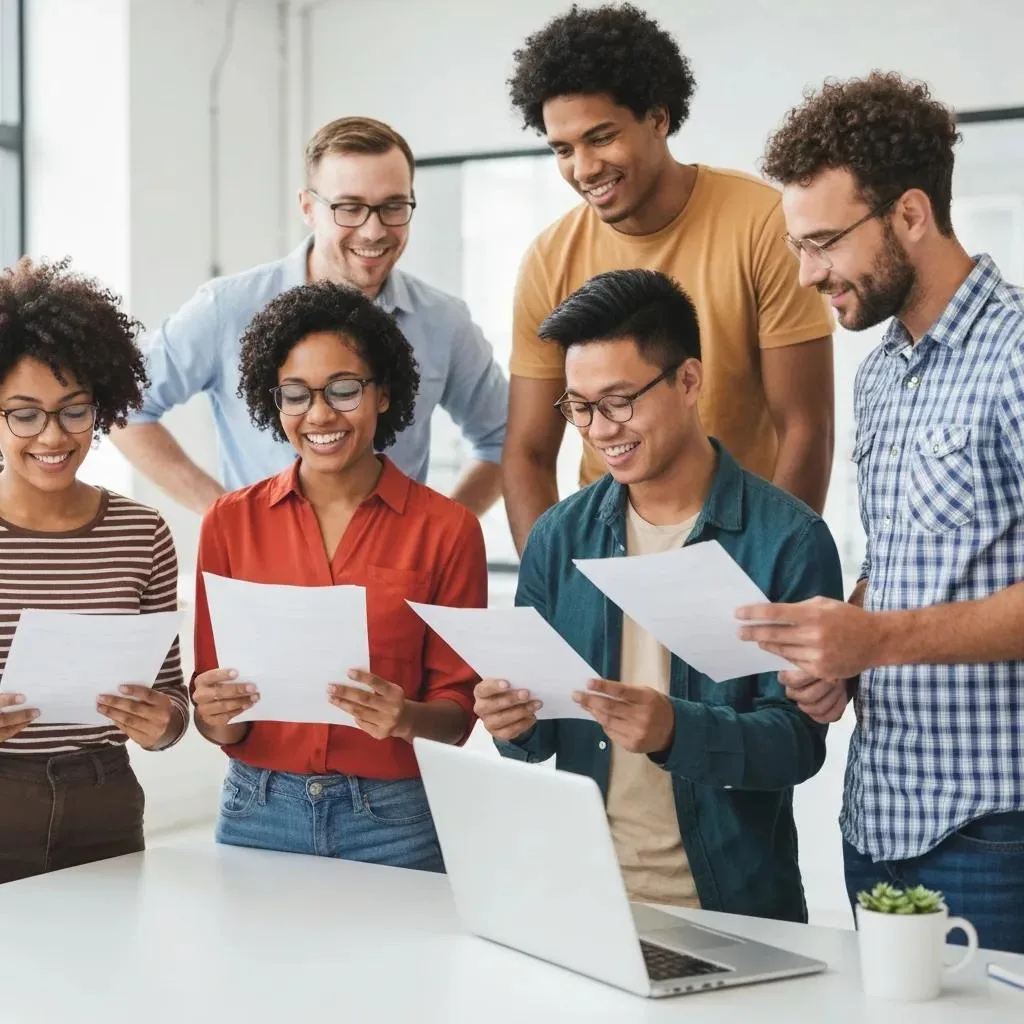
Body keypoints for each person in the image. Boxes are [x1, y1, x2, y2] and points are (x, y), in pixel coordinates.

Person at [738, 71, 1024, 954]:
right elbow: (913, 561)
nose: (807, 273)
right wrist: (844, 649)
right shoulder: (880, 372)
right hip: (876, 819)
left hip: (994, 829)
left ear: (909, 215)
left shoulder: (1015, 358)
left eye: (823, 242)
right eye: (797, 245)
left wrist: (881, 640)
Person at [474, 269, 843, 920]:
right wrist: (513, 722)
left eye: (619, 401)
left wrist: (676, 728)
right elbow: (536, 737)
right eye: (580, 407)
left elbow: (797, 745)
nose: (599, 429)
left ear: (689, 381)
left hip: (735, 908)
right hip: (586, 902)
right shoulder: (561, 537)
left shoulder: (789, 540)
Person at [501, 2, 835, 553]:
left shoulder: (763, 223)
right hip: (606, 548)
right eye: (563, 149)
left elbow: (805, 427)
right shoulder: (549, 257)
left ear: (658, 119)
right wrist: (554, 581)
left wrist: (771, 567)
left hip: (738, 540)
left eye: (601, 137)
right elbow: (529, 452)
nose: (582, 169)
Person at [191, 281, 486, 870]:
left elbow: (459, 712)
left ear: (382, 394)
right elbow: (211, 701)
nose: (320, 415)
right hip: (258, 808)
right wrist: (213, 717)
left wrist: (405, 716)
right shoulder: (229, 522)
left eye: (344, 390)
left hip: (394, 820)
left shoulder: (448, 530)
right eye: (296, 394)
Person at [111, 116, 507, 518]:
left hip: (395, 573)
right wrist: (223, 514)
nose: (373, 231)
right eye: (349, 208)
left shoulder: (444, 322)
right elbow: (123, 406)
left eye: (393, 206)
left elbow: (505, 439)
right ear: (308, 208)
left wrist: (438, 534)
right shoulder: (227, 307)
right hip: (263, 569)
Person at [0, 257, 189, 884]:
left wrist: (164, 724)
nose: (52, 435)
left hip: (103, 799)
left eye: (74, 410)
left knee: (106, 978)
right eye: (24, 413)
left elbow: (173, 699)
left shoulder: (142, 533)